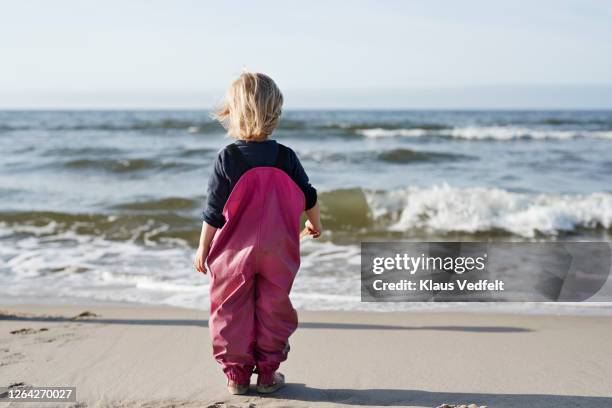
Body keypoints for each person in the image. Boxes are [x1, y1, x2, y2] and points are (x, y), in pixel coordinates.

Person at [194, 72, 322, 395]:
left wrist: (202, 248)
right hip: (277, 249)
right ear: (275, 113)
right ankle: (267, 374)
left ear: (233, 113)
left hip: (235, 251)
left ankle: (236, 376)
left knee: (230, 307)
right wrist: (314, 224)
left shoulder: (228, 159)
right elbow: (309, 196)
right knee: (273, 306)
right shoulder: (285, 157)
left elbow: (212, 212)